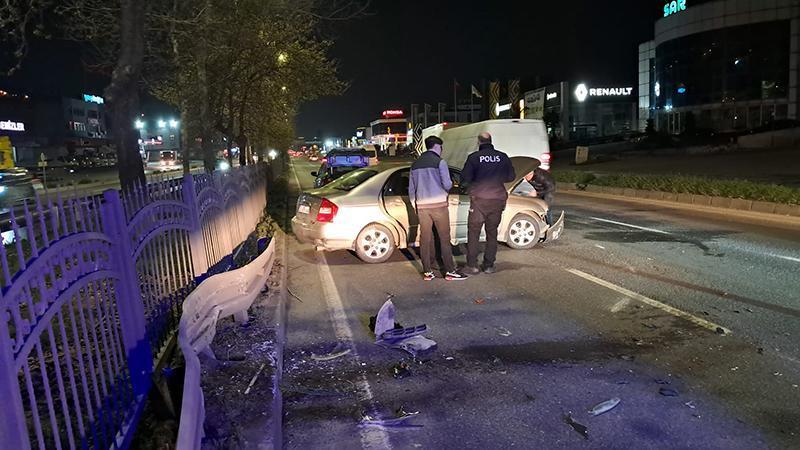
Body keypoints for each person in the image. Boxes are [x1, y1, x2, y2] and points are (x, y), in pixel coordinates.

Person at [409, 135, 468, 281]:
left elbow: (411, 190)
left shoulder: (415, 164)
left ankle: (427, 272)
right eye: (441, 147)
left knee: (425, 239)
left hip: (422, 207)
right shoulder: (440, 162)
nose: (441, 150)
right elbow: (447, 184)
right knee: (444, 237)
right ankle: (449, 270)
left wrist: (415, 205)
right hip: (439, 206)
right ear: (437, 146)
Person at [461, 132, 515, 274]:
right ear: (491, 141)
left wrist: (471, 186)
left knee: (473, 233)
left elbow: (465, 179)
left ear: (479, 142)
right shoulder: (502, 157)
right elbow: (511, 176)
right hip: (497, 200)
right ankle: (489, 265)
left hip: (479, 201)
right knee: (492, 234)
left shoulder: (474, 158)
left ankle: (472, 265)